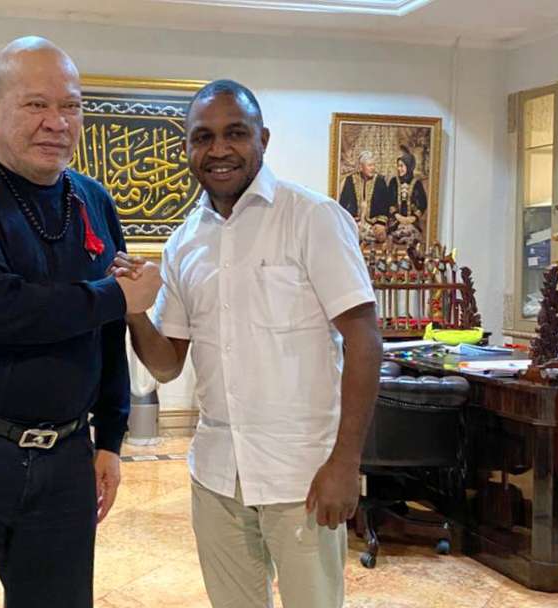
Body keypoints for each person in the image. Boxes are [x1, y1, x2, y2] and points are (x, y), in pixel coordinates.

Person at [0, 36, 161, 608]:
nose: (57, 123)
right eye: (36, 104)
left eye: (71, 106)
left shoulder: (93, 200)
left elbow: (107, 331)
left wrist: (111, 439)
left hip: (65, 457)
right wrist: (116, 296)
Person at [116, 79, 382, 608]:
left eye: (235, 133)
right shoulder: (185, 242)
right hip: (216, 475)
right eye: (203, 137)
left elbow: (364, 340)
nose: (219, 149)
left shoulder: (311, 217)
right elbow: (167, 366)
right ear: (187, 147)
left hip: (303, 474)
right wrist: (134, 310)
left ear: (263, 138)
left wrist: (345, 462)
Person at [337, 150, 388, 242]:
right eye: (369, 165)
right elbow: (343, 204)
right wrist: (353, 220)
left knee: (380, 235)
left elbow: (385, 206)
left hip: (374, 223)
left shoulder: (380, 181)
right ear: (361, 167)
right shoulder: (350, 180)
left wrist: (380, 223)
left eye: (373, 165)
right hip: (355, 222)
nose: (373, 168)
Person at [387, 145, 428, 247]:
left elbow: (423, 203)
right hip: (395, 221)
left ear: (409, 166)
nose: (399, 169)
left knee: (411, 236)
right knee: (395, 236)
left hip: (412, 222)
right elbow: (389, 201)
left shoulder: (417, 183)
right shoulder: (393, 182)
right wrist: (398, 216)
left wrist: (413, 218)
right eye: (398, 166)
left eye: (402, 166)